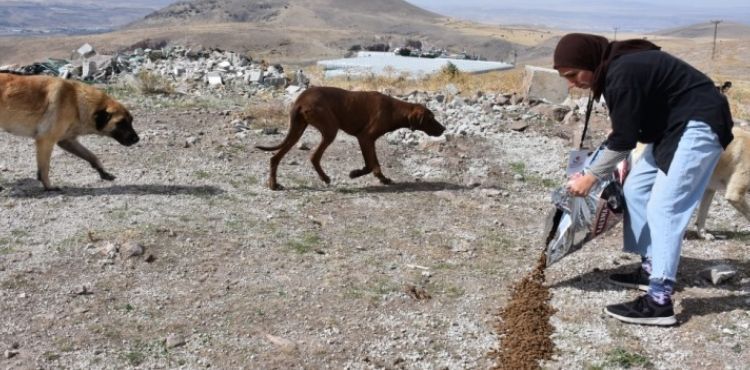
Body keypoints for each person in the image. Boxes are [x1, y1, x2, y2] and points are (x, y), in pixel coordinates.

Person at [553, 33, 734, 326]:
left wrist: (590, 177)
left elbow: (624, 140)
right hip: (672, 127)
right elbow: (625, 130)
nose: (571, 84)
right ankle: (651, 267)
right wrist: (595, 166)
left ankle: (659, 301)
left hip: (699, 123)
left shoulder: (621, 73)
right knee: (636, 189)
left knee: (665, 208)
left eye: (573, 75)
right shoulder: (617, 69)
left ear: (589, 61)